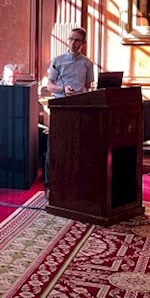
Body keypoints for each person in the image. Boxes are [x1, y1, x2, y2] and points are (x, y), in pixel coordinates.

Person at [44, 27, 94, 197]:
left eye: (77, 40)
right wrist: (63, 89)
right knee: (55, 148)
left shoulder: (87, 63)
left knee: (78, 147)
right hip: (60, 109)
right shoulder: (57, 61)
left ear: (83, 43)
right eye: (71, 39)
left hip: (80, 109)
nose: (73, 42)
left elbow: (88, 88)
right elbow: (49, 86)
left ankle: (75, 184)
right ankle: (50, 186)